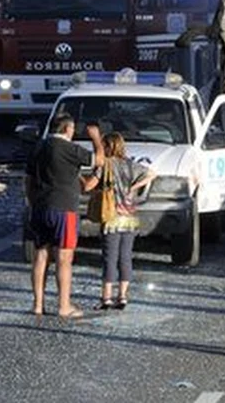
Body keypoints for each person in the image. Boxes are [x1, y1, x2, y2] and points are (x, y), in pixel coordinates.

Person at [25, 115, 104, 318]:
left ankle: (38, 304)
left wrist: (32, 201)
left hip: (40, 207)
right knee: (64, 258)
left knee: (41, 255)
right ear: (68, 128)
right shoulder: (70, 149)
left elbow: (28, 179)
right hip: (65, 209)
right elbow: (100, 160)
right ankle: (64, 306)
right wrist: (96, 138)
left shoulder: (39, 147)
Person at [94, 131, 155, 311]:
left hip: (112, 217)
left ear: (109, 146)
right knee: (125, 258)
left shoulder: (105, 165)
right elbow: (152, 173)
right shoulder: (131, 165)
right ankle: (122, 296)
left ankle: (106, 298)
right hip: (129, 217)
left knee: (109, 258)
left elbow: (93, 184)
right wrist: (132, 188)